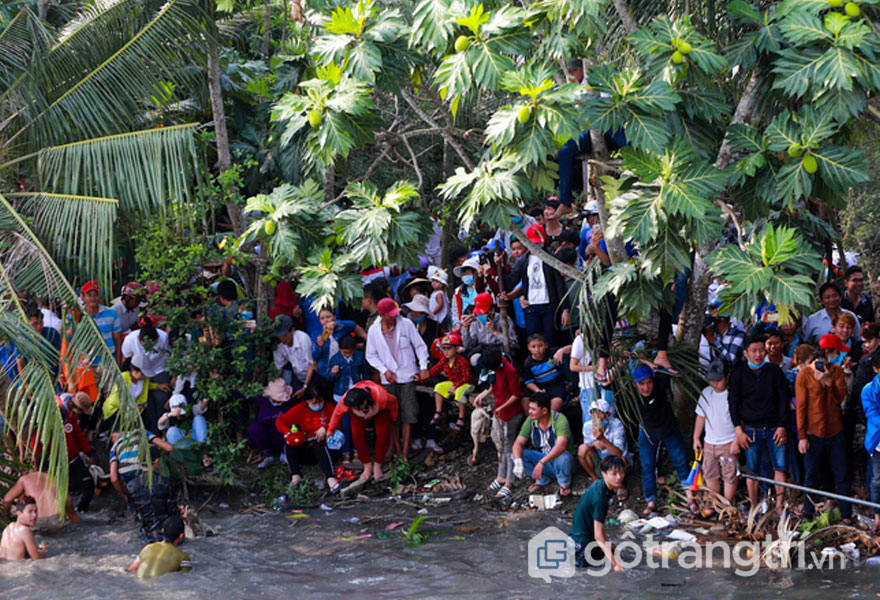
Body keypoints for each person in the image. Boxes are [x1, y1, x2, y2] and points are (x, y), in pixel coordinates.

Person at [728, 334, 790, 515]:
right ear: (746, 352)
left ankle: (779, 507)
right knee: (751, 470)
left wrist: (782, 426)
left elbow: (783, 400)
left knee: (780, 466)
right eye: (754, 351)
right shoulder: (738, 374)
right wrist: (738, 430)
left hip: (774, 428)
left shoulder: (774, 371)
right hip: (750, 430)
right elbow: (733, 403)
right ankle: (754, 506)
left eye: (761, 350)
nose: (758, 355)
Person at [365, 298, 429, 461]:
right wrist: (384, 370)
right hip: (389, 378)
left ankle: (405, 452)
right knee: (393, 417)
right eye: (390, 315)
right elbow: (371, 355)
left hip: (407, 375)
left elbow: (420, 346)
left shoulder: (406, 324)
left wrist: (423, 367)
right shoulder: (374, 331)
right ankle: (398, 448)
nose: (394, 317)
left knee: (408, 414)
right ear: (381, 315)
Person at [796, 335, 851, 522]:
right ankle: (808, 515)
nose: (838, 356)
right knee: (810, 476)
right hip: (813, 433)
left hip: (835, 431)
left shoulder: (837, 371)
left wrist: (829, 383)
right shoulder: (804, 375)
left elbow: (840, 398)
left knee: (842, 474)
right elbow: (801, 408)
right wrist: (802, 436)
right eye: (836, 352)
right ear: (829, 353)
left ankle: (846, 515)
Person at [631, 364, 690, 515]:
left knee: (680, 461)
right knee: (648, 466)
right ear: (634, 384)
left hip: (668, 427)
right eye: (641, 384)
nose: (646, 387)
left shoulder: (661, 383)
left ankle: (690, 497)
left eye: (649, 382)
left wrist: (646, 361)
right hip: (647, 430)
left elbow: (669, 368)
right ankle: (651, 501)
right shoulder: (629, 393)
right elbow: (605, 381)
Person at [503, 223, 570, 345]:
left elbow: (559, 285)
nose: (535, 245)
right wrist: (500, 266)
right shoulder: (523, 261)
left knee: (550, 341)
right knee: (533, 342)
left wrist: (565, 309)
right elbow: (510, 281)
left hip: (549, 306)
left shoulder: (550, 259)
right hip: (531, 308)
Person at [474, 346, 524, 498]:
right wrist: (481, 395)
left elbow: (516, 395)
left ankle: (510, 481)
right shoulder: (494, 368)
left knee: (509, 446)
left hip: (511, 413)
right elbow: (492, 386)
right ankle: (500, 475)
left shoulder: (510, 371)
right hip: (500, 412)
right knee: (500, 445)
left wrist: (501, 407)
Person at [327, 381, 398, 482]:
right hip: (358, 413)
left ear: (364, 401)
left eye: (355, 407)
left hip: (380, 409)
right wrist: (330, 430)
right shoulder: (347, 400)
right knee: (357, 434)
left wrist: (394, 418)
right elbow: (337, 413)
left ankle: (378, 465)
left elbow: (394, 402)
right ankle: (367, 466)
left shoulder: (382, 398)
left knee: (382, 433)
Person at [275, 385, 340, 494]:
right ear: (306, 401)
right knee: (290, 444)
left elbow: (338, 422)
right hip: (306, 450)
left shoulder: (329, 407)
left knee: (319, 446)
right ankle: (295, 476)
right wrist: (287, 432)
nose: (318, 405)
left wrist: (326, 428)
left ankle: (331, 479)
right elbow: (280, 421)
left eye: (320, 402)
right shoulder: (300, 409)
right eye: (314, 403)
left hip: (326, 450)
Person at [569, 455, 627, 571]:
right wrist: (615, 564)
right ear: (604, 474)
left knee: (613, 551)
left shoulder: (602, 486)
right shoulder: (600, 498)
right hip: (581, 545)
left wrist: (609, 544)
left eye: (621, 473)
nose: (619, 477)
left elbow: (598, 529)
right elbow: (598, 534)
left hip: (579, 540)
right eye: (614, 474)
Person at [512, 392, 575, 496]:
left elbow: (561, 446)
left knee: (564, 457)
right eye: (529, 408)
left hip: (561, 462)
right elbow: (517, 443)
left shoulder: (559, 419)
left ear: (544, 410)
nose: (529, 412)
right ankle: (542, 480)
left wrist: (542, 462)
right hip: (544, 460)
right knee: (516, 455)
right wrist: (518, 462)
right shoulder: (530, 421)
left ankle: (564, 483)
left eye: (533, 409)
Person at [693, 360, 738, 505]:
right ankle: (715, 504)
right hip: (709, 442)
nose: (715, 383)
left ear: (727, 377)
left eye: (718, 380)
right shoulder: (706, 392)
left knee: (729, 475)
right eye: (712, 380)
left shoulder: (732, 394)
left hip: (728, 442)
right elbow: (701, 416)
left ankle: (727, 505)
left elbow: (739, 420)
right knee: (710, 474)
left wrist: (736, 440)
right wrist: (696, 438)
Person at [325, 335, 368, 463]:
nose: (348, 355)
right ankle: (345, 453)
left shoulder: (359, 357)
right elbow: (328, 378)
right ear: (340, 349)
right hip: (341, 396)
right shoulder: (335, 359)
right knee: (345, 425)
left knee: (358, 426)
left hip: (357, 395)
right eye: (345, 352)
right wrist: (333, 373)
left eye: (350, 352)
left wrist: (366, 390)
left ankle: (357, 452)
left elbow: (365, 375)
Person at [422, 331, 473, 434]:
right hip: (454, 382)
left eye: (449, 348)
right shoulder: (444, 360)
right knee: (439, 387)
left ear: (457, 349)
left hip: (466, 384)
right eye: (444, 348)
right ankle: (438, 411)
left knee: (459, 392)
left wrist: (456, 385)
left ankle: (462, 417)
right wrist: (420, 377)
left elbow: (467, 377)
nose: (446, 351)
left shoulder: (462, 361)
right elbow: (434, 370)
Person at [578, 399, 627, 495]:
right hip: (600, 461)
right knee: (582, 449)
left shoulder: (617, 424)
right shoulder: (587, 426)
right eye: (593, 413)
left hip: (615, 462)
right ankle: (595, 479)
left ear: (608, 414)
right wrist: (594, 444)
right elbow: (587, 446)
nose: (596, 416)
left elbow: (619, 453)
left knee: (622, 459)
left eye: (600, 413)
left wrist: (603, 440)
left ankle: (618, 485)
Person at [2, 472, 80, 532]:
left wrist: (7, 514)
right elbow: (70, 510)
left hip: (35, 521)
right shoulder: (57, 480)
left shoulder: (25, 479)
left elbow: (7, 499)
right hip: (57, 521)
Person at [248, 378, 298, 469]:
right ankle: (267, 455)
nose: (277, 401)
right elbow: (244, 393)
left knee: (295, 425)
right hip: (267, 437)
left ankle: (285, 453)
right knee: (253, 428)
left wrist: (305, 387)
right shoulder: (262, 399)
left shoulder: (291, 399)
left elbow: (305, 390)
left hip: (284, 437)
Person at [460, 292, 518, 367]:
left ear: (492, 310)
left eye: (483, 313)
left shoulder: (504, 320)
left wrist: (495, 332)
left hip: (500, 352)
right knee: (473, 359)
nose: (480, 316)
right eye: (478, 313)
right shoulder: (476, 321)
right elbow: (468, 346)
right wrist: (465, 329)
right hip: (483, 351)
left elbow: (514, 344)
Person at [128, 513, 191, 578]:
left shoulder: (147, 548)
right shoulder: (183, 558)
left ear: (162, 531)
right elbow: (186, 577)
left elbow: (130, 570)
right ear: (181, 536)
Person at [521, 333, 571, 412]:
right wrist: (538, 391)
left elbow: (572, 348)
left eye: (540, 346)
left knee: (557, 401)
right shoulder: (528, 363)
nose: (537, 349)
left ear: (546, 345)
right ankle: (532, 422)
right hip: (539, 385)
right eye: (533, 347)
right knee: (525, 400)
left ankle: (550, 420)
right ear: (528, 348)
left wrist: (562, 350)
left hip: (556, 383)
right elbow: (529, 382)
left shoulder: (552, 352)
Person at [80, 280, 122, 366]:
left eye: (95, 295)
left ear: (99, 296)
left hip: (109, 362)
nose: (93, 298)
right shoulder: (79, 315)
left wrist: (118, 363)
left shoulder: (111, 313)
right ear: (82, 297)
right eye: (89, 295)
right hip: (87, 364)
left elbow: (118, 341)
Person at [861, 351, 880, 533]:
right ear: (876, 369)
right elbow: (872, 415)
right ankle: (877, 518)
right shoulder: (868, 390)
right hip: (878, 441)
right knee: (876, 481)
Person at [273, 314, 316, 393]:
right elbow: (279, 367)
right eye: (279, 336)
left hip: (312, 375)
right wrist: (274, 387)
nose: (282, 339)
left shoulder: (303, 338)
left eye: (284, 335)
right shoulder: (279, 345)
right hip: (298, 375)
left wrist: (304, 387)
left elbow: (311, 365)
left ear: (292, 330)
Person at [450, 256, 484, 328]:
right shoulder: (458, 291)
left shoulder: (482, 288)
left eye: (468, 273)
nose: (465, 276)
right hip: (464, 325)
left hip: (481, 325)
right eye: (463, 274)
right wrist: (458, 325)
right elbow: (455, 311)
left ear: (475, 273)